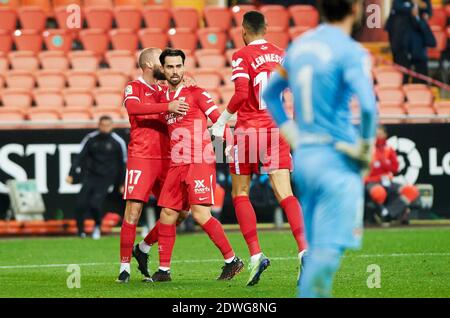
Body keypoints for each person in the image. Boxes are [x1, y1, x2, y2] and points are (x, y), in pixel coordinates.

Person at [263, 0, 378, 298]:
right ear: (355, 9)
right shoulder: (351, 51)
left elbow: (270, 94)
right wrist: (365, 147)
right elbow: (367, 106)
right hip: (337, 157)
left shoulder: (299, 47)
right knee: (328, 254)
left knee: (317, 247)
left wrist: (293, 135)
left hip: (306, 158)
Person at [210, 10, 308, 286]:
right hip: (277, 128)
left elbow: (242, 94)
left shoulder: (241, 56)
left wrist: (222, 121)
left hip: (249, 130)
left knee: (241, 192)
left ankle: (256, 255)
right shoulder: (282, 54)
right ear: (266, 27)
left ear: (243, 30)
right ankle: (304, 249)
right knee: (285, 193)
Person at [150, 48, 244, 282]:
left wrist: (231, 146)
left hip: (199, 161)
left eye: (178, 66)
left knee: (201, 215)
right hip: (176, 163)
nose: (175, 71)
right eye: (170, 66)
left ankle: (232, 261)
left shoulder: (197, 93)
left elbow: (220, 120)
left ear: (184, 67)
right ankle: (163, 271)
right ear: (164, 69)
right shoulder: (163, 99)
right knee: (168, 213)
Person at [117, 48, 192, 283]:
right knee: (133, 211)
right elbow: (133, 109)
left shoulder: (165, 89)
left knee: (180, 213)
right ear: (150, 64)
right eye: (161, 60)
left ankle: (145, 246)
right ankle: (124, 268)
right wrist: (166, 107)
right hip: (142, 156)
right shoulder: (134, 87)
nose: (165, 64)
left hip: (169, 158)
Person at [67, 115, 127, 240]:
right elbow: (80, 156)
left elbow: (123, 163)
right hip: (90, 176)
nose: (105, 128)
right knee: (80, 203)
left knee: (95, 203)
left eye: (107, 125)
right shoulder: (91, 139)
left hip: (107, 178)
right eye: (103, 125)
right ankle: (80, 232)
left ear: (112, 126)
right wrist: (71, 173)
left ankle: (97, 226)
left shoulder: (118, 142)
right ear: (99, 125)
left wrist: (122, 183)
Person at [365, 125, 420, 225]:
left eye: (380, 134)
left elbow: (395, 169)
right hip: (371, 182)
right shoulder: (368, 148)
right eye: (376, 134)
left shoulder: (389, 149)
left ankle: (388, 214)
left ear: (385, 135)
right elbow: (364, 170)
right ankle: (382, 213)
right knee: (378, 192)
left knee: (411, 190)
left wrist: (384, 162)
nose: (378, 136)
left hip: (387, 181)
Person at [385, 0, 435, 83]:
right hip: (400, 37)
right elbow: (397, 6)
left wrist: (423, 10)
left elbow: (428, 9)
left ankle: (421, 91)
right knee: (402, 71)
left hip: (418, 37)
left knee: (421, 71)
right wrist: (415, 4)